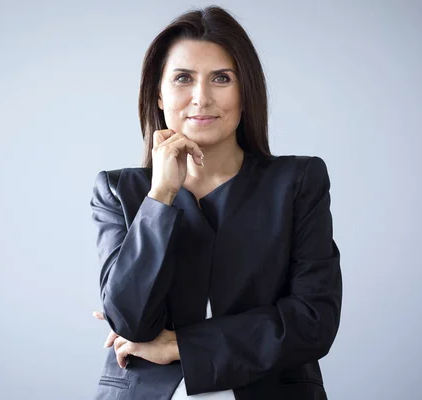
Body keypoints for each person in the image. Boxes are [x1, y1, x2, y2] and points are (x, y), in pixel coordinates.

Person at [89, 5, 342, 400]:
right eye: (183, 79)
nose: (201, 98)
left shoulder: (297, 183)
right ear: (158, 93)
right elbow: (130, 321)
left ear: (246, 92)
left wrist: (181, 346)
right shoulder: (118, 191)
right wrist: (160, 198)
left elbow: (313, 321)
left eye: (221, 78)